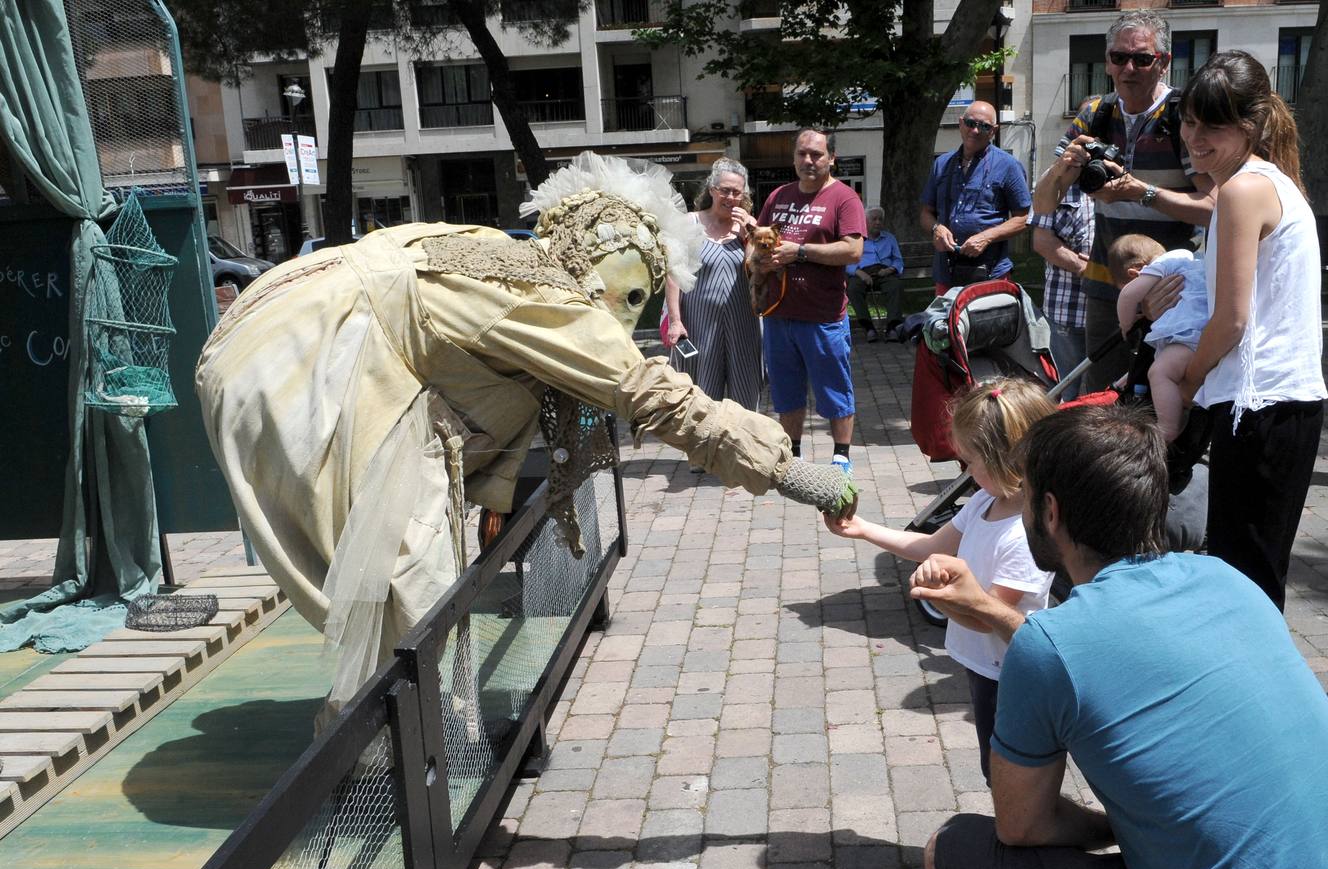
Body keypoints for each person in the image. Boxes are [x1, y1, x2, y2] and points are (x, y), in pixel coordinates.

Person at [196, 153, 858, 723]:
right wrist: (799, 476)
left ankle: (397, 725)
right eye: (629, 296)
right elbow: (663, 401)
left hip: (281, 328)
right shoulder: (551, 302)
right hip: (306, 362)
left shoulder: (512, 255)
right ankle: (385, 748)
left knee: (412, 570)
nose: (625, 313)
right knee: (407, 583)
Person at [919, 404, 1328, 869]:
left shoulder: (1048, 645)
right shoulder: (1229, 579)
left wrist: (1117, 828)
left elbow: (1022, 828)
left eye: (1028, 496)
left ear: (1052, 512)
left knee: (952, 848)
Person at [824, 379, 1055, 781]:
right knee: (994, 763)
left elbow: (989, 616)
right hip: (983, 664)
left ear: (1004, 460)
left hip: (1010, 673)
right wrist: (862, 528)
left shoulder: (1025, 534)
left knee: (1005, 769)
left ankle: (1023, 832)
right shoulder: (987, 500)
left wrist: (941, 595)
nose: (965, 468)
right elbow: (931, 544)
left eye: (971, 460)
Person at [1171, 51, 1326, 612]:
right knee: (1252, 580)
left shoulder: (1242, 190)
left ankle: (1262, 696)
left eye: (1213, 124)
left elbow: (1232, 320)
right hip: (1281, 405)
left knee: (1248, 588)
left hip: (1260, 408)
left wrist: (1186, 383)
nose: (1195, 136)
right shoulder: (1265, 183)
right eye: (1189, 120)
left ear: (1251, 126)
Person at [1033, 10, 1216, 394]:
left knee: (1164, 395)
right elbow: (1044, 204)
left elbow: (1215, 204)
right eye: (1119, 58)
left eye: (1142, 58)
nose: (1129, 68)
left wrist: (1141, 193)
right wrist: (1062, 167)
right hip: (1104, 285)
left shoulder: (1183, 116)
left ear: (1163, 63)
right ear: (1107, 63)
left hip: (1172, 287)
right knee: (1104, 398)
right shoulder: (1095, 113)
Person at [756, 128, 866, 473]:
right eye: (802, 154)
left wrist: (799, 252)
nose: (809, 161)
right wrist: (761, 259)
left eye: (817, 154)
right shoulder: (778, 196)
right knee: (786, 393)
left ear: (831, 158)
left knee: (834, 390)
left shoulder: (844, 198)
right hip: (778, 314)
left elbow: (853, 250)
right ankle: (793, 456)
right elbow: (758, 241)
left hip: (823, 316)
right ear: (793, 158)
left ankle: (841, 456)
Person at [662, 158, 763, 417]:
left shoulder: (750, 226)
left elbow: (760, 271)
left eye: (737, 192)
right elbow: (673, 274)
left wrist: (748, 235)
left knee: (745, 391)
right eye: (724, 190)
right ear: (711, 190)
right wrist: (675, 321)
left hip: (743, 322)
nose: (730, 197)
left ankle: (743, 451)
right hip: (699, 322)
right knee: (702, 394)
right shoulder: (690, 223)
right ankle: (704, 453)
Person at [919, 101, 1031, 295]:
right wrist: (936, 229)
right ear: (961, 123)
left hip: (991, 273)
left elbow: (1024, 218)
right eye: (971, 123)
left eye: (984, 126)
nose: (976, 130)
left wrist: (986, 237)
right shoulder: (942, 164)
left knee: (989, 325)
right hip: (947, 272)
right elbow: (926, 213)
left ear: (994, 131)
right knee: (946, 325)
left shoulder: (1008, 165)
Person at [1111, 234, 1208, 442]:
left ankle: (1167, 428)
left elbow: (1128, 296)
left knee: (1159, 373)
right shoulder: (1189, 258)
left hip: (1190, 335)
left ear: (1135, 271)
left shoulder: (1164, 264)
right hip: (1205, 331)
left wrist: (1126, 325)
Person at [1028, 185, 1094, 400]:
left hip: (1114, 309)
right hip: (1066, 307)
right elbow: (1041, 241)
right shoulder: (1055, 181)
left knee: (1104, 391)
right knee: (1064, 390)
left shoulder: (1124, 178)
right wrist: (1085, 268)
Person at [846, 206, 905, 342]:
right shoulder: (857, 239)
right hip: (863, 272)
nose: (878, 222)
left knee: (895, 286)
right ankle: (868, 328)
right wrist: (861, 274)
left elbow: (898, 260)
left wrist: (889, 270)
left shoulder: (889, 238)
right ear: (865, 221)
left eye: (880, 219)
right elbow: (848, 262)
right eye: (874, 219)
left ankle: (892, 327)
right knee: (853, 289)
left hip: (885, 271)